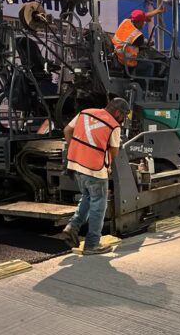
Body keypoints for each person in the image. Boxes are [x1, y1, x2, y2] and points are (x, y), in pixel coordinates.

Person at [61, 98, 130, 255]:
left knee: (87, 197)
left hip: (76, 164)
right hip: (95, 169)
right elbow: (114, 149)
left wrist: (75, 149)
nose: (123, 119)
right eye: (123, 115)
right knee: (98, 205)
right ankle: (92, 243)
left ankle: (73, 226)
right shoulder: (114, 126)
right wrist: (108, 164)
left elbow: (67, 130)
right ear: (118, 112)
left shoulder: (85, 113)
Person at [111, 6, 165, 77]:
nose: (144, 23)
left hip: (117, 52)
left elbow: (143, 16)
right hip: (126, 60)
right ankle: (144, 85)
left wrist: (156, 11)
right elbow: (144, 44)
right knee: (149, 65)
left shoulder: (126, 21)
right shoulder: (137, 35)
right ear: (139, 22)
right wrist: (149, 43)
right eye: (143, 22)